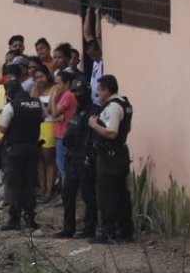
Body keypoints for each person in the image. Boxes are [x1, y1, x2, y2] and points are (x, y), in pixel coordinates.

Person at [89, 74, 134, 243]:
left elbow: (112, 132)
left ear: (107, 90)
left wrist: (94, 125)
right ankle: (125, 231)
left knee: (107, 195)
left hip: (110, 156)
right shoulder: (124, 103)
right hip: (119, 154)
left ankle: (108, 232)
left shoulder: (114, 107)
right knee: (121, 194)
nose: (97, 95)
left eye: (99, 91)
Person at [0, 79, 43, 231]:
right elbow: (43, 117)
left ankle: (14, 219)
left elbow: (2, 128)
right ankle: (30, 217)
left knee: (14, 185)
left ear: (8, 93)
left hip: (14, 151)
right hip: (32, 149)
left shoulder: (11, 106)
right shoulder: (37, 103)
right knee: (29, 184)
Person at [55, 78, 97, 240]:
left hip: (85, 158)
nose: (77, 96)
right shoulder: (77, 111)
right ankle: (68, 227)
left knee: (88, 195)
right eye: (75, 93)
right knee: (68, 193)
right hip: (72, 157)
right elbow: (70, 131)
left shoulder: (94, 111)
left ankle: (90, 228)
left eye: (80, 93)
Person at [31, 64, 57, 201]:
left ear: (47, 76)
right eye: (36, 77)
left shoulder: (54, 89)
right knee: (39, 160)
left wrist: (43, 108)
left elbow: (51, 110)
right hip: (37, 126)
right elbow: (31, 105)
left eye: (41, 76)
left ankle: (49, 191)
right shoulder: (35, 90)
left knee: (49, 160)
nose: (39, 80)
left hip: (49, 125)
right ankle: (42, 189)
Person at [50, 67, 78, 180]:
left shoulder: (68, 95)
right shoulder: (68, 95)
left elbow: (55, 113)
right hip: (62, 131)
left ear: (67, 83)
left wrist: (53, 99)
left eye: (59, 83)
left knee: (63, 166)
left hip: (63, 133)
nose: (57, 86)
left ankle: (65, 194)